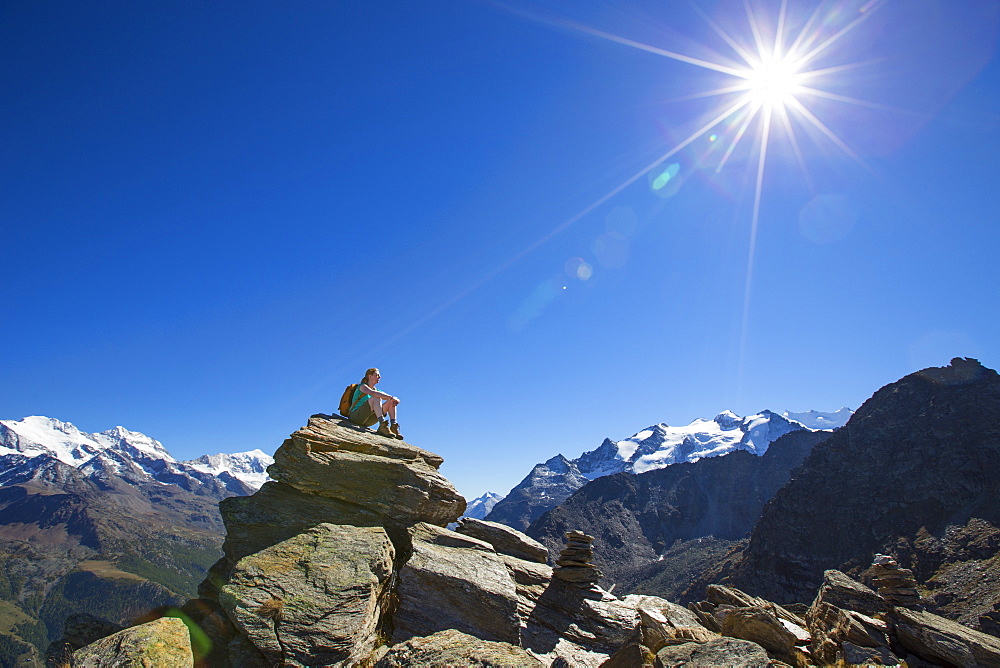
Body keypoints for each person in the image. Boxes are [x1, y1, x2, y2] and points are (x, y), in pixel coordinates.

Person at [347, 368, 403, 439]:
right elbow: (372, 393)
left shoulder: (376, 390)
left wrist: (394, 399)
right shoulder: (362, 386)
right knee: (376, 397)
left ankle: (393, 426)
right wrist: (391, 397)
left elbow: (385, 396)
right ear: (370, 376)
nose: (379, 377)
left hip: (368, 420)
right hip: (356, 417)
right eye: (377, 375)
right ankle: (382, 424)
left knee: (391, 402)